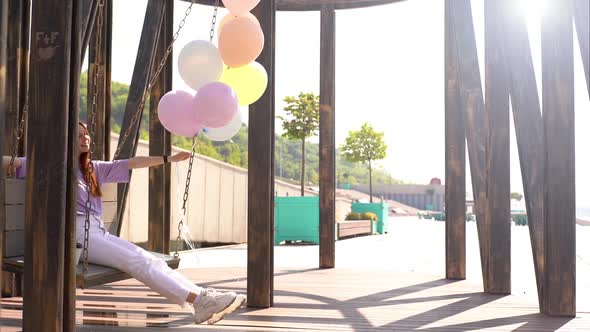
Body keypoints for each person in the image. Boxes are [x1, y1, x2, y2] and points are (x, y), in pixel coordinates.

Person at [1, 122, 246, 325]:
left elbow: (132, 163)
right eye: (77, 135)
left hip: (96, 231)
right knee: (137, 261)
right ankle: (200, 300)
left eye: (86, 133)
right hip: (74, 234)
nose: (84, 137)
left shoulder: (92, 169)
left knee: (149, 258)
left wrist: (168, 159)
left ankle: (201, 299)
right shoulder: (45, 164)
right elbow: (8, 162)